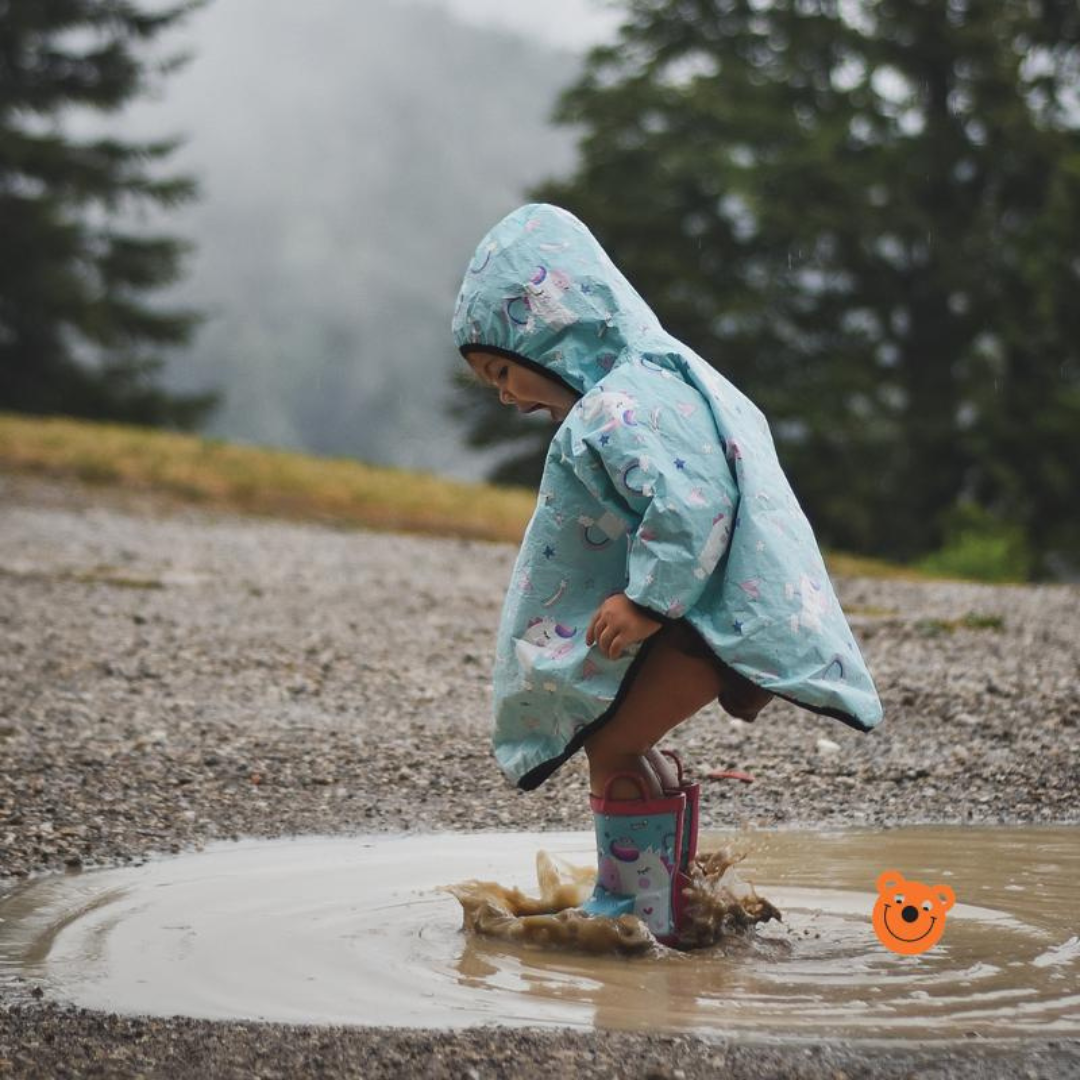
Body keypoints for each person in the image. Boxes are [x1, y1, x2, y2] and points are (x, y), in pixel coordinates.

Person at [453, 204, 882, 944]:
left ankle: (636, 914)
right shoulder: (657, 374)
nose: (503, 392)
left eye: (501, 368)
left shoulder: (615, 407)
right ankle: (675, 898)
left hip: (689, 620)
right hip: (716, 615)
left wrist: (646, 601)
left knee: (612, 748)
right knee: (638, 750)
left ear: (546, 327)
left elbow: (692, 504)